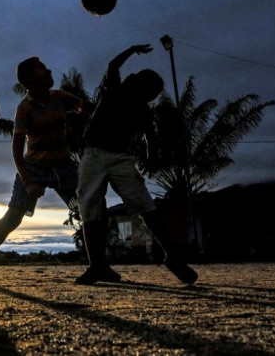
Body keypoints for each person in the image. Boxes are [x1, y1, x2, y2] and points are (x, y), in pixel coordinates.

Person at [75, 44, 198, 285]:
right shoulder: (121, 95)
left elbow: (150, 137)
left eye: (137, 77)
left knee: (141, 205)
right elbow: (150, 137)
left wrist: (132, 50)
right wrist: (132, 49)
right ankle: (98, 265)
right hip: (95, 154)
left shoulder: (129, 101)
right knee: (93, 209)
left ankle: (171, 256)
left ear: (143, 91)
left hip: (115, 157)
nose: (131, 76)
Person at [0, 57, 84, 282]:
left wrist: (85, 111)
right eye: (41, 68)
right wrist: (28, 182)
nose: (48, 69)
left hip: (64, 165)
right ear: (29, 79)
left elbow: (84, 107)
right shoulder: (25, 109)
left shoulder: (60, 98)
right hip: (33, 167)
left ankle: (99, 265)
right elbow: (17, 152)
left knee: (89, 208)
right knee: (13, 217)